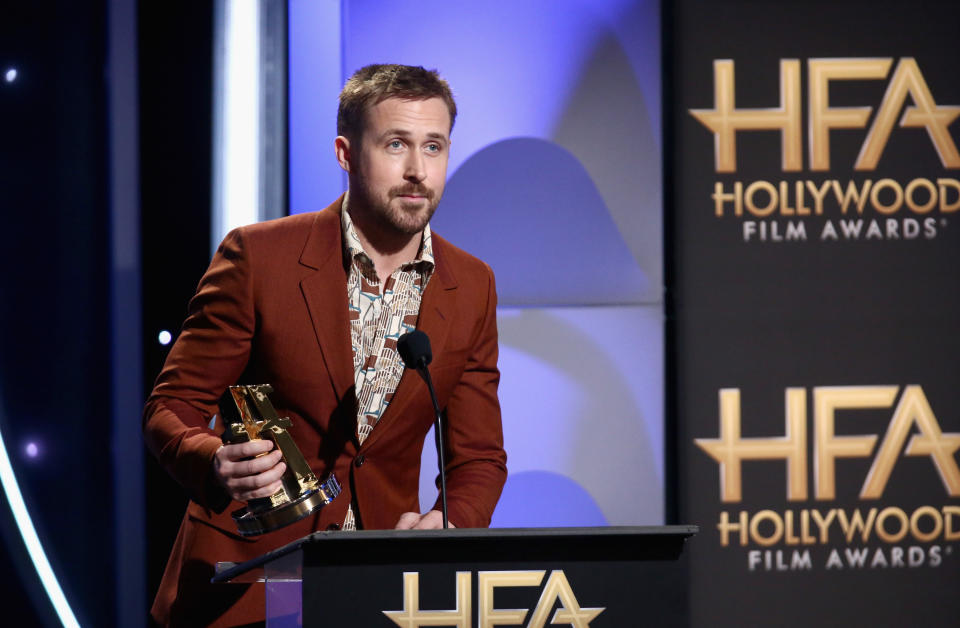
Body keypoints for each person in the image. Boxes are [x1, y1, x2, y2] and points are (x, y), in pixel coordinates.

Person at [143, 64, 507, 627]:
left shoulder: (472, 283)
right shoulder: (259, 258)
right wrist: (215, 460)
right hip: (262, 575)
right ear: (345, 153)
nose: (417, 171)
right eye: (395, 145)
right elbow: (170, 408)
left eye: (433, 147)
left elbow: (478, 456)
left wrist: (449, 523)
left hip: (383, 586)